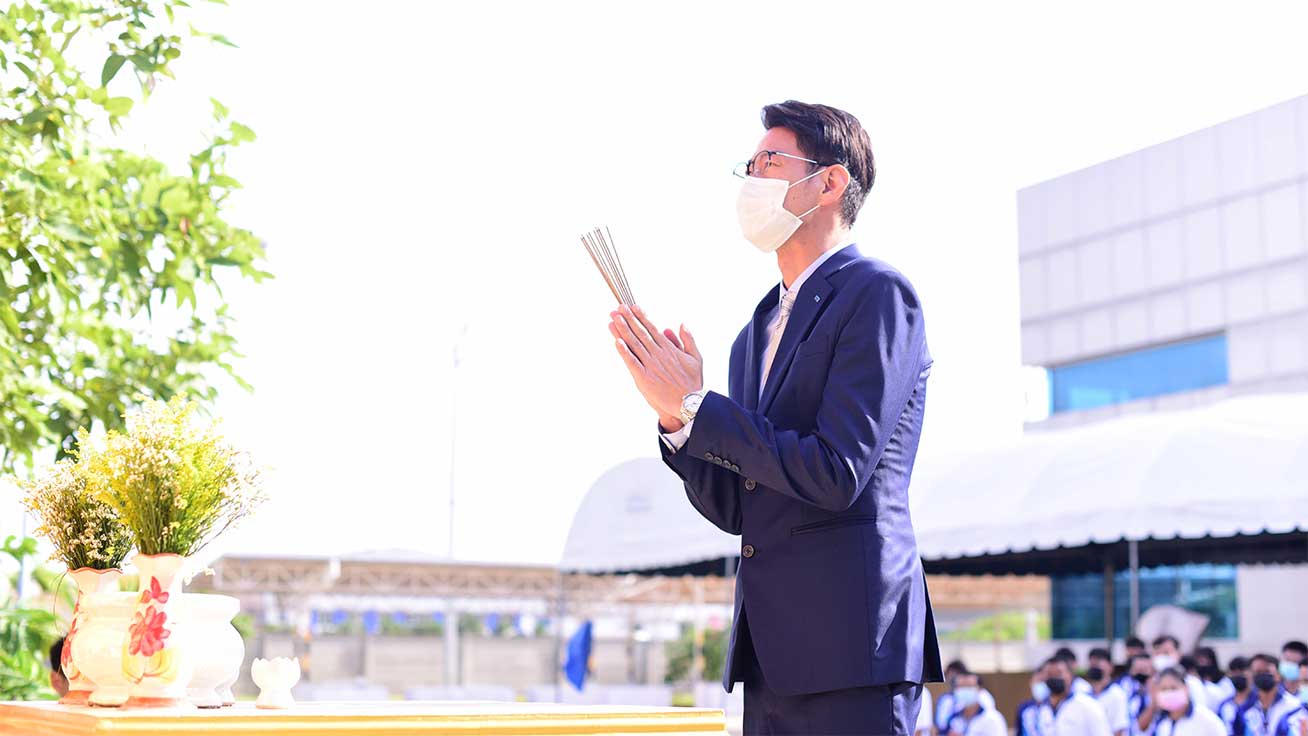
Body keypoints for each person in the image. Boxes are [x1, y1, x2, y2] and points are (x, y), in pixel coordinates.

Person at [622, 100, 942, 735]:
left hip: (853, 650)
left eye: (771, 161)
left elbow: (836, 471)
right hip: (769, 659)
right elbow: (743, 508)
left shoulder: (878, 294)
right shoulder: (754, 333)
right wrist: (678, 422)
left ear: (830, 183)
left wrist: (702, 408)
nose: (753, 180)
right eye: (750, 164)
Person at [1037, 657, 1114, 736]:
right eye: (1050, 674)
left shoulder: (1088, 705)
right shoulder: (1043, 709)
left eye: (1059, 673)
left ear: (1070, 675)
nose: (1054, 678)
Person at [1238, 654, 1304, 736]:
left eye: (1267, 671)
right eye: (1258, 672)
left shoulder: (1294, 707)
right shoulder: (1244, 709)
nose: (1262, 675)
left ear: (1278, 675)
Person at [1151, 667, 1228, 736]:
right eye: (1164, 689)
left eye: (1173, 688)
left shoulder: (1206, 720)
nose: (1169, 693)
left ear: (1186, 688)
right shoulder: (1161, 721)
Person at [1153, 636, 1208, 710]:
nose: (1162, 657)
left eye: (1166, 652)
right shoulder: (1151, 682)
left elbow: (1200, 709)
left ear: (1178, 653)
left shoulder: (1192, 683)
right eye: (1158, 653)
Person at [944, 671, 1006, 736]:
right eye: (961, 686)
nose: (964, 690)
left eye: (969, 686)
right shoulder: (954, 718)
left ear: (979, 689)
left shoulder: (992, 719)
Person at [1088, 647, 1132, 736]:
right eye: (1093, 665)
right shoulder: (1083, 692)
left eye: (1098, 665)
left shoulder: (1117, 694)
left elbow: (1119, 730)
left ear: (1110, 667)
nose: (1095, 669)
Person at [1216, 656, 1256, 735]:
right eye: (1234, 672)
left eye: (1241, 671)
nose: (1238, 675)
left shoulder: (1259, 702)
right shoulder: (1225, 705)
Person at [1195, 647, 1235, 712]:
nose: (1202, 665)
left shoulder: (1223, 679)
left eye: (1204, 661)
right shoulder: (1195, 680)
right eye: (1199, 661)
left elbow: (1229, 697)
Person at [1126, 653, 1157, 736]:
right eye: (1138, 670)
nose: (1141, 674)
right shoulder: (1123, 691)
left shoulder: (1159, 690)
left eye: (1145, 670)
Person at [937, 660, 968, 733]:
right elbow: (940, 725)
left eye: (955, 675)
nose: (952, 679)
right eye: (949, 676)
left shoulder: (976, 696)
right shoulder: (945, 699)